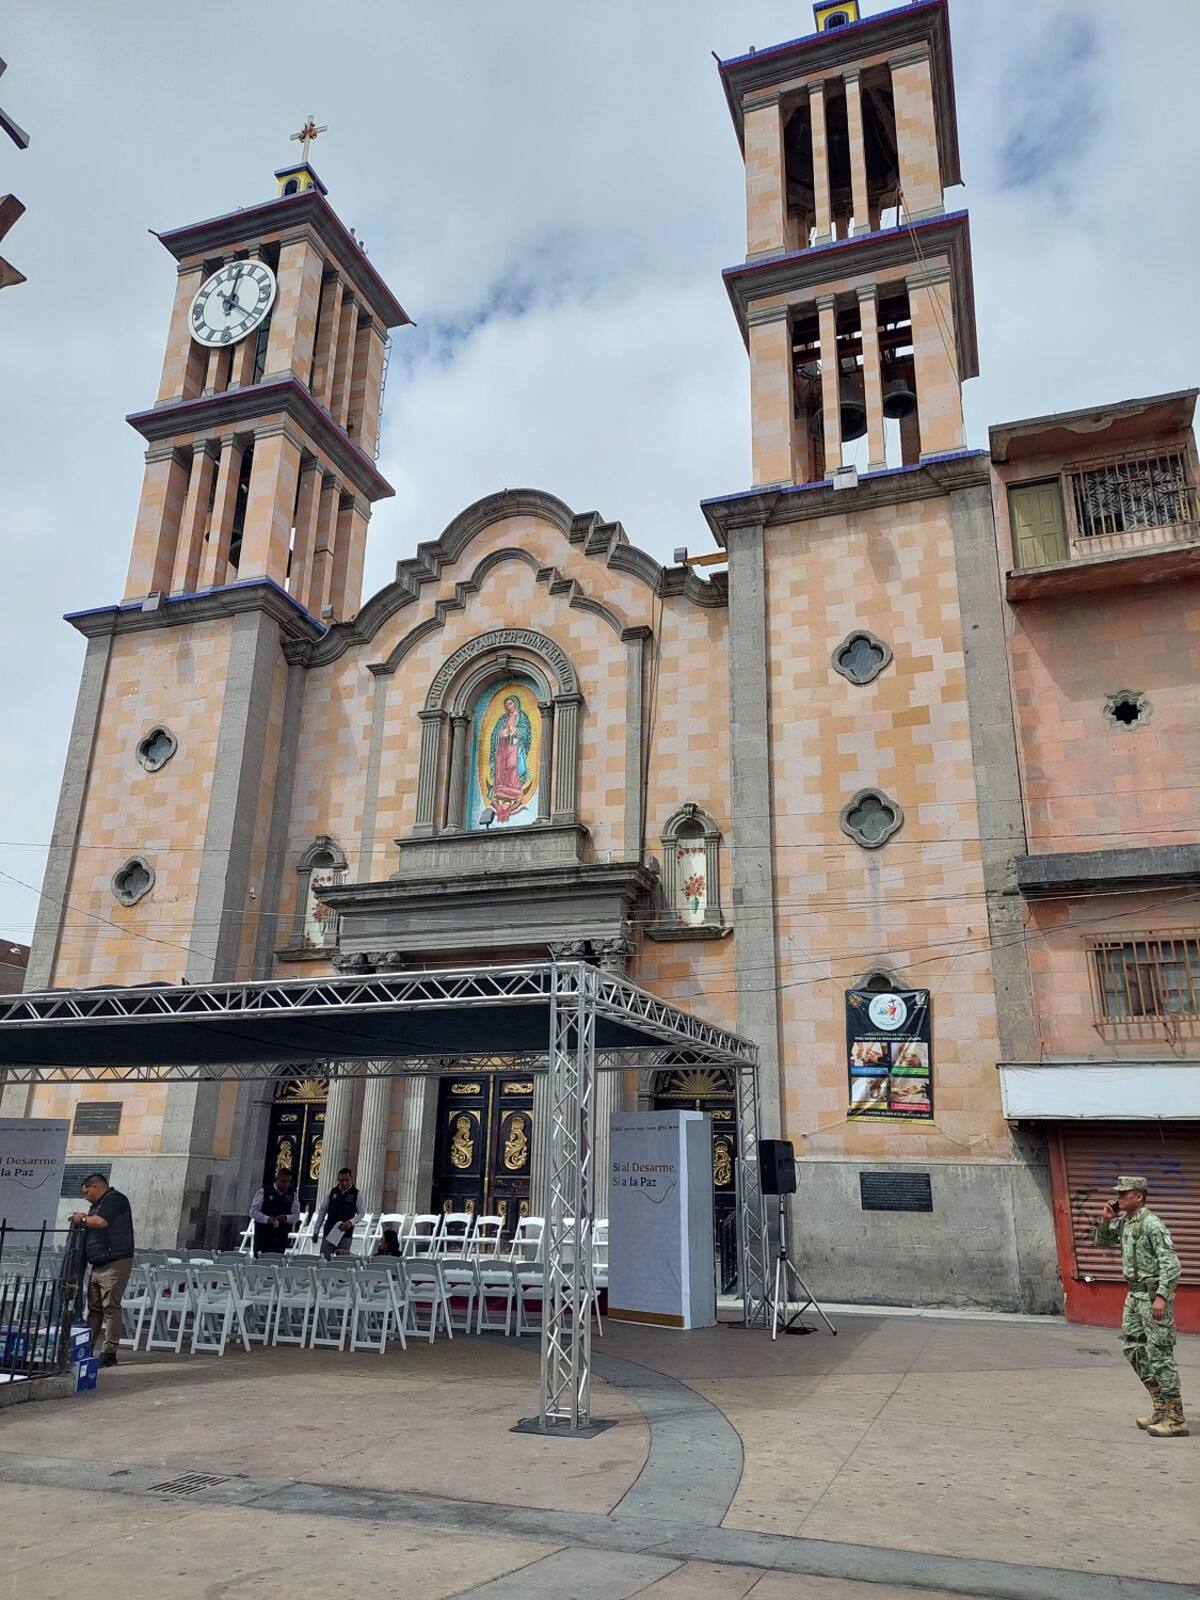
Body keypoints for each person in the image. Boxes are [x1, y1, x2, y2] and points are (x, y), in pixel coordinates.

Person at [1093, 1175, 1188, 1438]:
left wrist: (1162, 1296)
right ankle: (1160, 1406)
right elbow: (1101, 1242)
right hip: (1134, 1297)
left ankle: (1176, 1417)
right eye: (1119, 1195)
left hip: (1153, 1297)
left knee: (1160, 1354)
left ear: (1139, 1196)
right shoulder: (1125, 1223)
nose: (1120, 1198)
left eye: (1125, 1194)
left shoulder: (1152, 1224)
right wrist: (1106, 1219)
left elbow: (1171, 1264)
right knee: (1132, 1347)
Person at [68, 1173, 134, 1370]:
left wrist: (83, 1219)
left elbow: (100, 1222)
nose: (86, 1197)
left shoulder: (115, 1200)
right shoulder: (96, 1205)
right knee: (94, 1308)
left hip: (115, 1260)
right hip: (98, 1262)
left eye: (87, 1192)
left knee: (110, 1306)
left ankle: (109, 1351)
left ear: (96, 1187)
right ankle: (86, 1347)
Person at [312, 1167, 362, 1259]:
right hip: (329, 1232)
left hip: (345, 1233)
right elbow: (322, 1211)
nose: (344, 1183)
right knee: (324, 1259)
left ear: (351, 1179)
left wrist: (351, 1222)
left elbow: (361, 1213)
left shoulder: (356, 1194)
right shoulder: (332, 1192)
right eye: (341, 1180)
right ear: (338, 1180)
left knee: (341, 1262)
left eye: (347, 1180)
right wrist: (316, 1230)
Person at [249, 1169, 300, 1256]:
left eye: (288, 1181)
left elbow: (296, 1215)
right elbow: (253, 1211)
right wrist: (267, 1219)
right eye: (283, 1181)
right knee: (261, 1260)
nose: (285, 1184)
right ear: (277, 1179)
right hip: (263, 1234)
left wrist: (286, 1218)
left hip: (281, 1235)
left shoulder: (292, 1195)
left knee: (277, 1259)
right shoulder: (264, 1192)